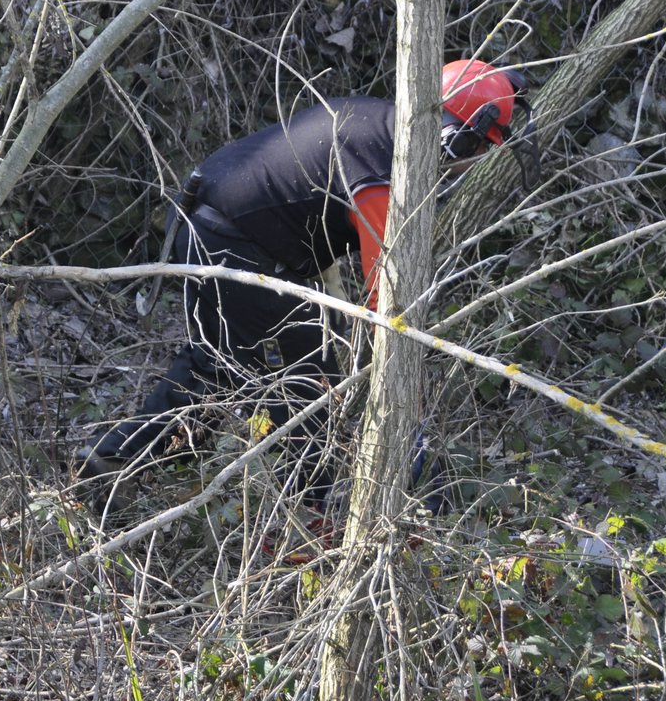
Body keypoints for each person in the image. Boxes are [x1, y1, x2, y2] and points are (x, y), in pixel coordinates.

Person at [73, 60, 536, 495]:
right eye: (477, 149)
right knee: (220, 370)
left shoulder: (376, 121)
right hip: (226, 238)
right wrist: (406, 408)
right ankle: (109, 464)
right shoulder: (381, 177)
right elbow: (389, 308)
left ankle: (310, 499)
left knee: (314, 378)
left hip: (262, 247)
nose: (471, 162)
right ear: (454, 136)